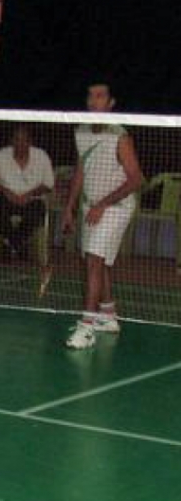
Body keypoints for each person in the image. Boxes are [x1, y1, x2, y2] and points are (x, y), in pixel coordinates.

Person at [61, 80, 143, 350]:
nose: (93, 100)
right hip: (91, 204)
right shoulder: (82, 131)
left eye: (100, 96)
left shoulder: (120, 136)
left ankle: (86, 328)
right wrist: (69, 208)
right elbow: (81, 171)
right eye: (90, 95)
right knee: (100, 261)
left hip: (117, 207)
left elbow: (135, 180)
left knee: (94, 260)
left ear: (110, 104)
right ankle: (107, 315)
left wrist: (103, 204)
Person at [0, 124, 54, 260]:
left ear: (30, 142)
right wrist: (7, 192)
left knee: (36, 214)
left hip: (32, 200)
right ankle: (18, 245)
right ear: (12, 141)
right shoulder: (2, 155)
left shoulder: (41, 156)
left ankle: (11, 245)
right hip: (7, 199)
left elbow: (49, 183)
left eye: (24, 140)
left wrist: (30, 194)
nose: (20, 143)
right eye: (17, 139)